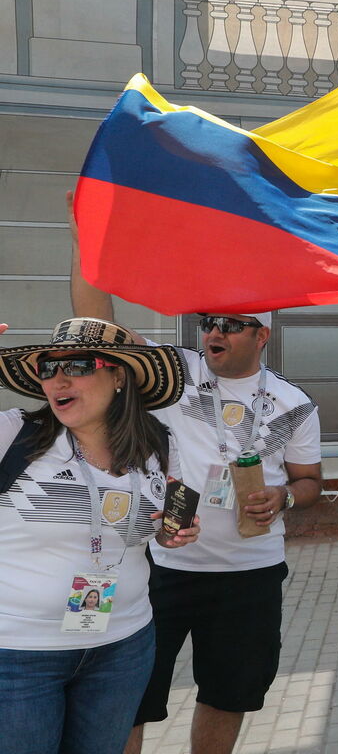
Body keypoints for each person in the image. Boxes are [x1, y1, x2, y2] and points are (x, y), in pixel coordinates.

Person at [69, 227, 323, 754]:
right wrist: (87, 239)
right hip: (163, 567)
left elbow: (310, 481)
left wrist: (285, 498)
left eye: (231, 324)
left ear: (262, 335)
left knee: (229, 696)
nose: (215, 332)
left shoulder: (294, 403)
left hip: (250, 574)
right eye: (208, 322)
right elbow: (100, 333)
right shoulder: (174, 373)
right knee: (131, 696)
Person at [0, 318, 198, 754]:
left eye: (77, 365)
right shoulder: (14, 433)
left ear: (119, 375)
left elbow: (166, 523)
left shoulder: (159, 443)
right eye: (48, 368)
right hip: (17, 654)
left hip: (123, 647)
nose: (58, 380)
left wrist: (172, 534)